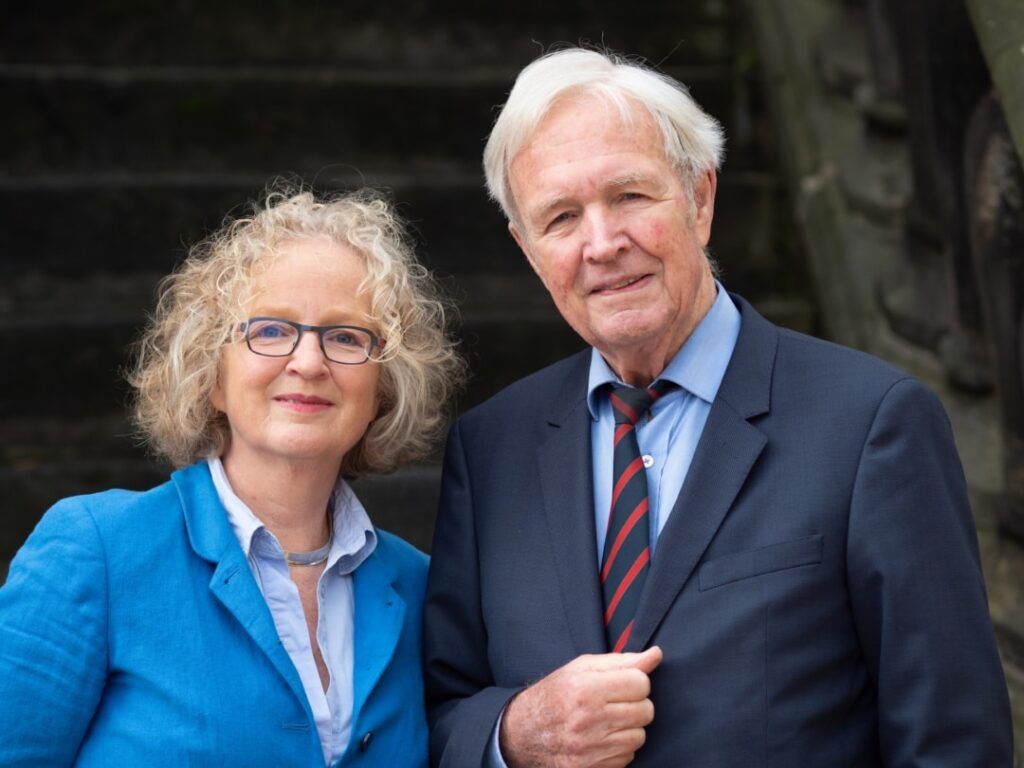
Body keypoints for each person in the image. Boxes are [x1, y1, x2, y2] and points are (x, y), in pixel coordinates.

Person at [423, 48, 1013, 767]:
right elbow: (438, 712)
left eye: (631, 196)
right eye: (562, 217)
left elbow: (953, 744)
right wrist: (514, 730)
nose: (602, 244)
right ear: (527, 249)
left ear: (700, 199)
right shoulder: (491, 450)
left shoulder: (873, 425)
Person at [0, 187, 463, 766]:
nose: (309, 362)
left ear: (383, 390)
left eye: (346, 337)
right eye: (270, 330)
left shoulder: (420, 586)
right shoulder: (97, 550)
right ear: (211, 377)